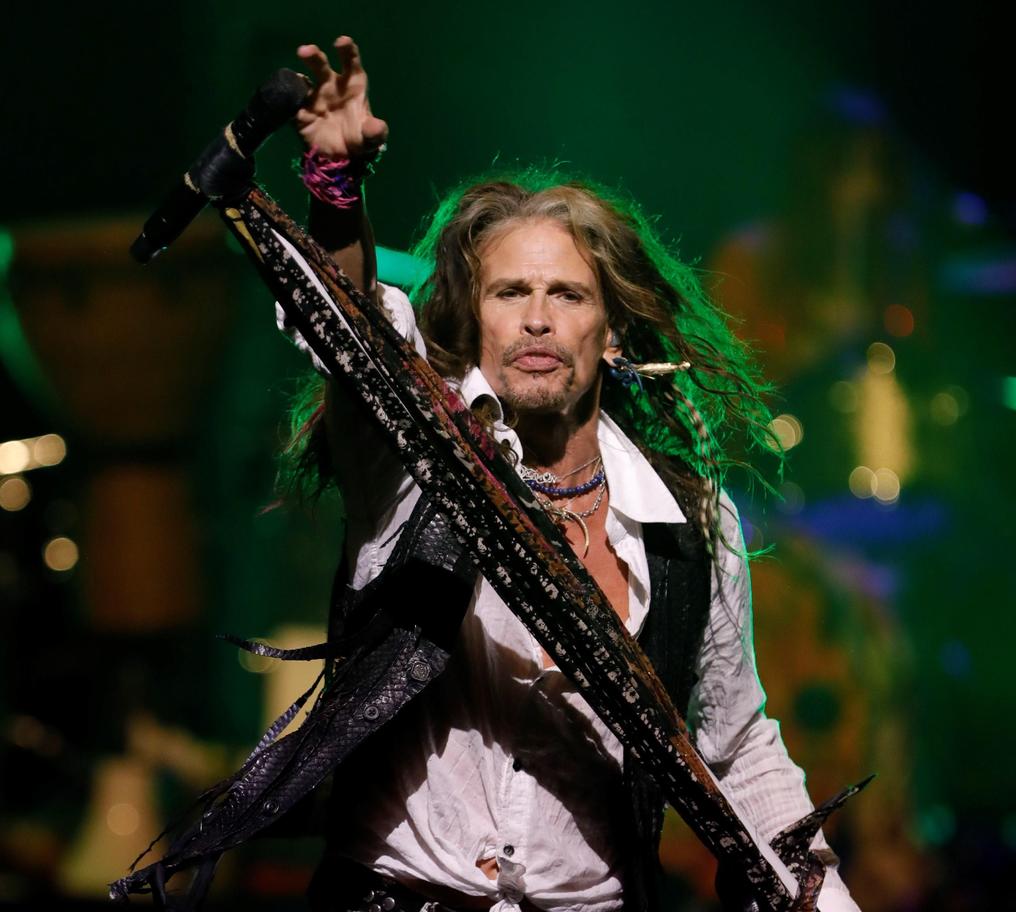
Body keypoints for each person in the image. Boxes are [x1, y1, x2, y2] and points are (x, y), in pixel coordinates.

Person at [286, 35, 862, 912]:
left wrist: (822, 898)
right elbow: (351, 335)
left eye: (567, 294)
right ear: (475, 320)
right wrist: (335, 190)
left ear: (612, 332)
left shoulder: (688, 524)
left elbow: (738, 746)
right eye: (509, 293)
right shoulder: (419, 460)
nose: (537, 320)